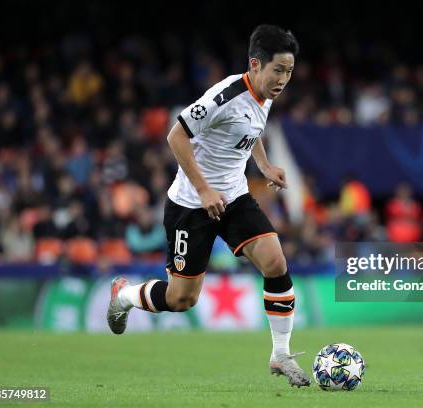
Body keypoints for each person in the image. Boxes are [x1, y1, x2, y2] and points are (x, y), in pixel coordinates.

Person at [106, 25, 310, 387]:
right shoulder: (225, 95)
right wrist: (202, 190)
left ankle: (280, 354)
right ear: (256, 65)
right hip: (191, 204)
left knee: (276, 262)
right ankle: (123, 295)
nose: (283, 79)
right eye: (278, 70)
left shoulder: (266, 94)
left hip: (233, 196)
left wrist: (263, 166)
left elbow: (251, 130)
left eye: (289, 71)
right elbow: (176, 135)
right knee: (181, 299)